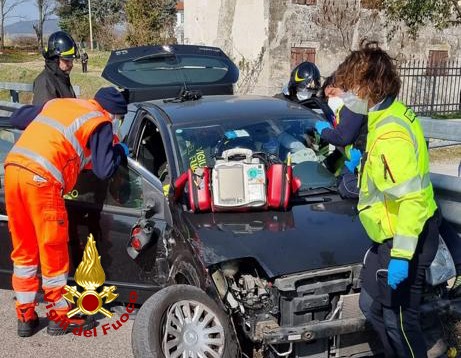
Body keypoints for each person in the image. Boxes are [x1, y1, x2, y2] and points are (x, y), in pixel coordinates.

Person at [333, 42, 440, 357]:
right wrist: (360, 160)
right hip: (389, 233)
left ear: (368, 87)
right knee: (371, 305)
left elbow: (411, 200)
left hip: (408, 238)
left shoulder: (391, 132)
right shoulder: (387, 114)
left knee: (400, 321)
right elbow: (386, 173)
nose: (347, 96)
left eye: (351, 88)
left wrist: (402, 257)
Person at [4, 87, 130, 337]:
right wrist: (119, 152)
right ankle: (59, 317)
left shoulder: (61, 104)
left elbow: (18, 118)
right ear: (114, 114)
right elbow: (105, 170)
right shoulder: (100, 121)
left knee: (24, 249)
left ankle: (25, 316)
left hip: (12, 169)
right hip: (42, 179)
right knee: (53, 247)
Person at [314, 74, 368, 198]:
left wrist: (324, 131)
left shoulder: (351, 106)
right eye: (327, 97)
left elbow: (342, 137)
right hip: (360, 163)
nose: (331, 99)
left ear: (345, 87)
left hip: (364, 162)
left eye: (333, 93)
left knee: (347, 187)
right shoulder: (348, 108)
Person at [32, 31, 79, 106]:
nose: (71, 64)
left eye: (72, 60)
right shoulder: (44, 82)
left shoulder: (61, 77)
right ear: (54, 59)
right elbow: (46, 115)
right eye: (66, 60)